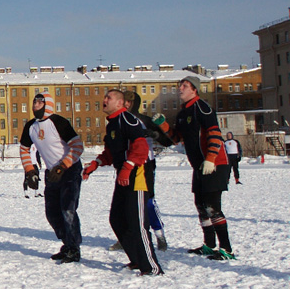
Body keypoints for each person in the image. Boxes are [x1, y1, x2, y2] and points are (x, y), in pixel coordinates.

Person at [83, 90, 163, 276]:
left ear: (120, 103)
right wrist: (94, 164)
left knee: (137, 224)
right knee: (117, 220)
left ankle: (151, 267)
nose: (104, 100)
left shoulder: (127, 120)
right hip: (123, 176)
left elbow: (141, 147)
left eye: (108, 98)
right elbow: (111, 153)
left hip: (136, 175)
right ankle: (137, 260)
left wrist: (127, 167)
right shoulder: (112, 125)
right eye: (104, 97)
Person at [173, 76, 235, 260]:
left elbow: (215, 132)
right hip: (199, 167)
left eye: (184, 85)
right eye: (179, 85)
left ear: (195, 89)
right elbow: (176, 139)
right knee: (201, 206)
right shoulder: (183, 113)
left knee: (212, 206)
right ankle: (209, 245)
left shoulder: (202, 107)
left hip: (215, 164)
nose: (180, 88)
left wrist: (210, 158)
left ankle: (227, 249)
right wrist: (161, 125)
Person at [19, 92, 84, 263]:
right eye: (34, 101)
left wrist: (63, 166)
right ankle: (67, 244)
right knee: (52, 213)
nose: (35, 104)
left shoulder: (58, 122)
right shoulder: (31, 126)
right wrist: (30, 171)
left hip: (70, 170)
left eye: (40, 101)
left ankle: (74, 248)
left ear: (47, 104)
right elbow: (24, 149)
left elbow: (77, 146)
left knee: (67, 209)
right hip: (51, 173)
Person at [121, 90, 170, 251]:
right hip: (126, 165)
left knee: (148, 201)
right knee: (126, 203)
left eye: (128, 102)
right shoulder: (120, 120)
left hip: (145, 165)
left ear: (134, 104)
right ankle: (125, 237)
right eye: (123, 101)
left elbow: (167, 141)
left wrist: (154, 133)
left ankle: (159, 235)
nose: (125, 105)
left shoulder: (145, 120)